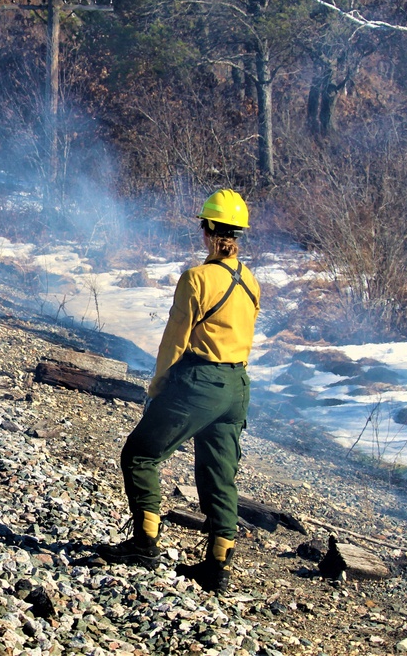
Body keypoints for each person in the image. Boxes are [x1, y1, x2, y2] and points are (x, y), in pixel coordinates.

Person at [98, 189, 261, 593]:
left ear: (206, 230)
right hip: (237, 387)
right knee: (220, 476)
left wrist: (157, 386)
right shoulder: (252, 282)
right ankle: (217, 568)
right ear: (238, 235)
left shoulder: (196, 278)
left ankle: (145, 543)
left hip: (199, 382)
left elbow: (174, 342)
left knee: (139, 454)